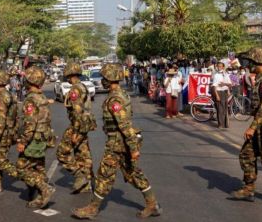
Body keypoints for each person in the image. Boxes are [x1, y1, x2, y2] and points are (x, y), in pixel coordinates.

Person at [72, 63, 162, 220]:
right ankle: (152, 204)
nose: (102, 81)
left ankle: (93, 208)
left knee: (104, 175)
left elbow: (125, 125)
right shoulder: (122, 94)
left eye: (104, 78)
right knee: (134, 174)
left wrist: (133, 148)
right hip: (122, 142)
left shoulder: (115, 99)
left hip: (118, 143)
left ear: (110, 79)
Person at [231, 48, 262, 206]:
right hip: (260, 124)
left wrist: (252, 127)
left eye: (250, 61)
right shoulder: (261, 77)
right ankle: (249, 188)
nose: (248, 64)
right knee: (246, 155)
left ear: (256, 62)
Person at [16, 66, 55, 209]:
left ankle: (45, 189)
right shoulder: (41, 97)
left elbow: (30, 123)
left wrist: (23, 141)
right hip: (42, 137)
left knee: (21, 169)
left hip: (33, 139)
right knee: (39, 168)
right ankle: (39, 195)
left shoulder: (31, 100)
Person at [56, 62, 96, 194]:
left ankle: (80, 175)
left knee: (62, 153)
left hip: (77, 126)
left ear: (70, 74)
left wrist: (76, 132)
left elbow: (77, 111)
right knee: (82, 154)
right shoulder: (82, 86)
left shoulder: (75, 89)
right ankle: (86, 184)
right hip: (84, 126)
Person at [212, 62, 232, 128]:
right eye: (218, 66)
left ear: (223, 67)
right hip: (218, 92)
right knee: (219, 108)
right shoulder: (216, 75)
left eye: (221, 66)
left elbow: (230, 84)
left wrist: (225, 85)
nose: (219, 67)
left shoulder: (226, 74)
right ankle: (220, 124)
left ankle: (225, 124)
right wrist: (217, 95)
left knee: (225, 108)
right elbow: (214, 86)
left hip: (225, 92)